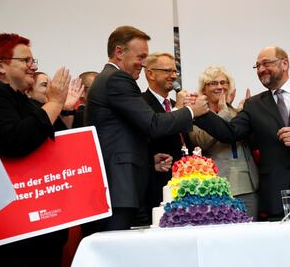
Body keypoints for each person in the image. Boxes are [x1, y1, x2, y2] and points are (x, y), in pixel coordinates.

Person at [195, 46, 290, 220]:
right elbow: (230, 132)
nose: (261, 69)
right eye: (257, 66)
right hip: (275, 196)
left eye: (266, 63)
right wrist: (201, 113)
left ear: (285, 64)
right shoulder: (254, 104)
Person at [84, 26, 208, 233]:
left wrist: (148, 160)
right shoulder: (117, 79)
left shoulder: (108, 79)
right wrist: (190, 111)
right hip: (118, 188)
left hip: (117, 186)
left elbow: (120, 135)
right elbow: (152, 124)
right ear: (119, 52)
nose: (143, 63)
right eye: (140, 56)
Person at [0, 33, 71, 266]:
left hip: (43, 225)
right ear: (0, 66)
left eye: (33, 61)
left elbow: (64, 141)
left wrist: (60, 107)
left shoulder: (25, 101)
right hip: (15, 234)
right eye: (26, 61)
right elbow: (15, 140)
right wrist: (54, 103)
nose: (32, 67)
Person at [189, 65, 259, 219]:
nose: (220, 87)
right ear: (203, 89)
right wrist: (222, 113)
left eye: (223, 82)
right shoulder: (196, 116)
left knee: (250, 236)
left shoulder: (239, 113)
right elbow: (201, 142)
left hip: (248, 186)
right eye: (213, 83)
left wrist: (252, 112)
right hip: (214, 189)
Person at [142, 52, 193, 212]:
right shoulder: (141, 103)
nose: (173, 76)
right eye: (167, 71)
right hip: (157, 184)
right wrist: (178, 110)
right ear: (150, 73)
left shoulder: (174, 104)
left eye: (175, 72)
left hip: (184, 183)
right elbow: (152, 134)